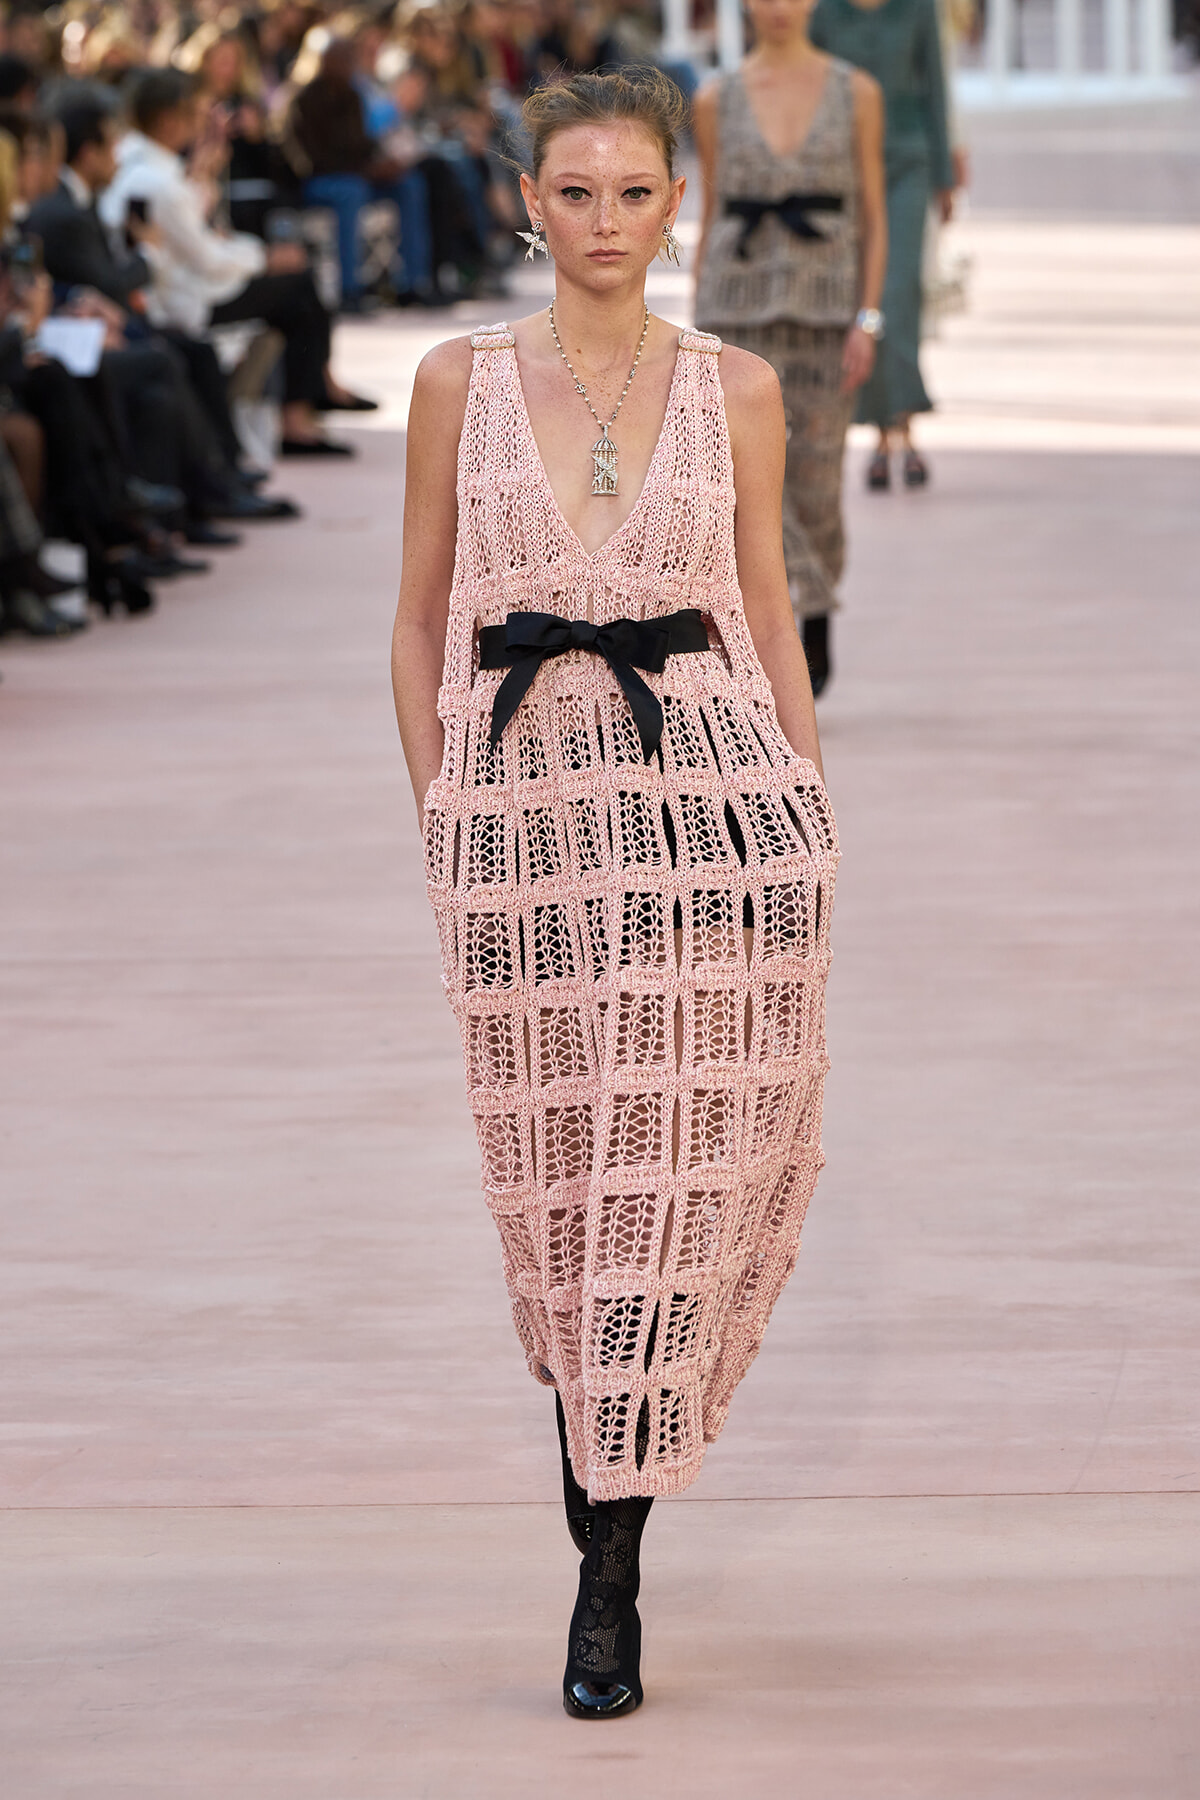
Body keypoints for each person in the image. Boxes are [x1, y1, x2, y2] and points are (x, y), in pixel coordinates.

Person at [392, 66, 839, 1719]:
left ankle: (610, 1569)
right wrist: (447, 814)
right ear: (528, 199)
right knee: (567, 1194)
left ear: (677, 205)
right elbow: (421, 612)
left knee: (679, 1157)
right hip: (530, 839)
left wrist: (810, 805)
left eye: (632, 194)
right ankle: (598, 1461)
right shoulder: (458, 382)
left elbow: (765, 612)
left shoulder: (739, 390)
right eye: (572, 192)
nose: (602, 223)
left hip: (710, 819)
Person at [694, 0, 886, 697]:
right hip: (735, 316)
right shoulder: (716, 99)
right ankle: (763, 631)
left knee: (817, 477)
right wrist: (694, 335)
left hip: (825, 318)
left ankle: (817, 610)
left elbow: (872, 210)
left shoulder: (855, 91)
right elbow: (711, 210)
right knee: (744, 487)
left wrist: (867, 317)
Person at [100, 68, 359, 457]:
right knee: (298, 288)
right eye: (195, 114)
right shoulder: (157, 180)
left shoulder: (150, 166)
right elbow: (206, 257)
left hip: (188, 285)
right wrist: (264, 258)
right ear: (170, 119)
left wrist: (206, 175)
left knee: (295, 286)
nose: (202, 123)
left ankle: (306, 403)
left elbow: (206, 236)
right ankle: (297, 418)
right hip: (184, 300)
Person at [811, 0, 957, 488]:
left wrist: (944, 177)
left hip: (907, 164)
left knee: (898, 290)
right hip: (844, 168)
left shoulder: (918, 8)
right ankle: (883, 433)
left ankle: (902, 424)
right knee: (863, 296)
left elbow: (936, 87)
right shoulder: (825, 13)